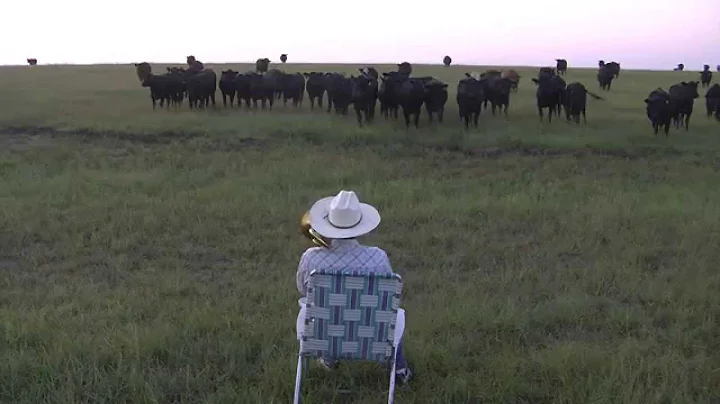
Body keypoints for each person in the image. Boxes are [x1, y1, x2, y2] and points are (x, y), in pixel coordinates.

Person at [295, 189, 412, 384]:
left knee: (324, 310)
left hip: (323, 332)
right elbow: (387, 299)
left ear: (329, 223)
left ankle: (329, 357)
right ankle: (400, 370)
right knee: (393, 315)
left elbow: (302, 289)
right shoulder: (378, 257)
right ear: (360, 225)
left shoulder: (310, 258)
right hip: (370, 333)